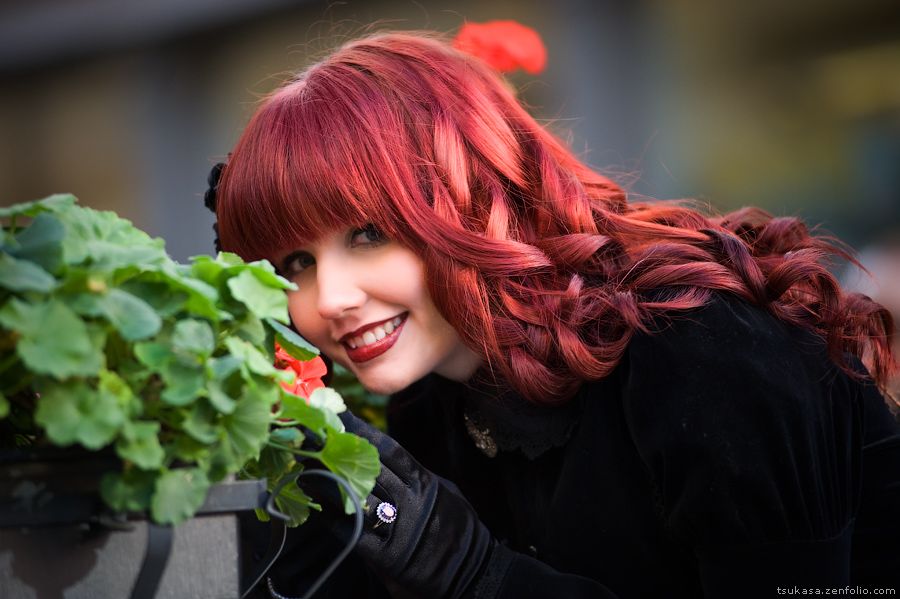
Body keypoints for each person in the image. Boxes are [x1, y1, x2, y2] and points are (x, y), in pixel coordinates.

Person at [208, 30, 900, 598]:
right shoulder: (428, 405)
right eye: (295, 263)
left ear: (470, 198)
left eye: (367, 234)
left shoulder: (704, 349)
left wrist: (475, 575)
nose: (330, 298)